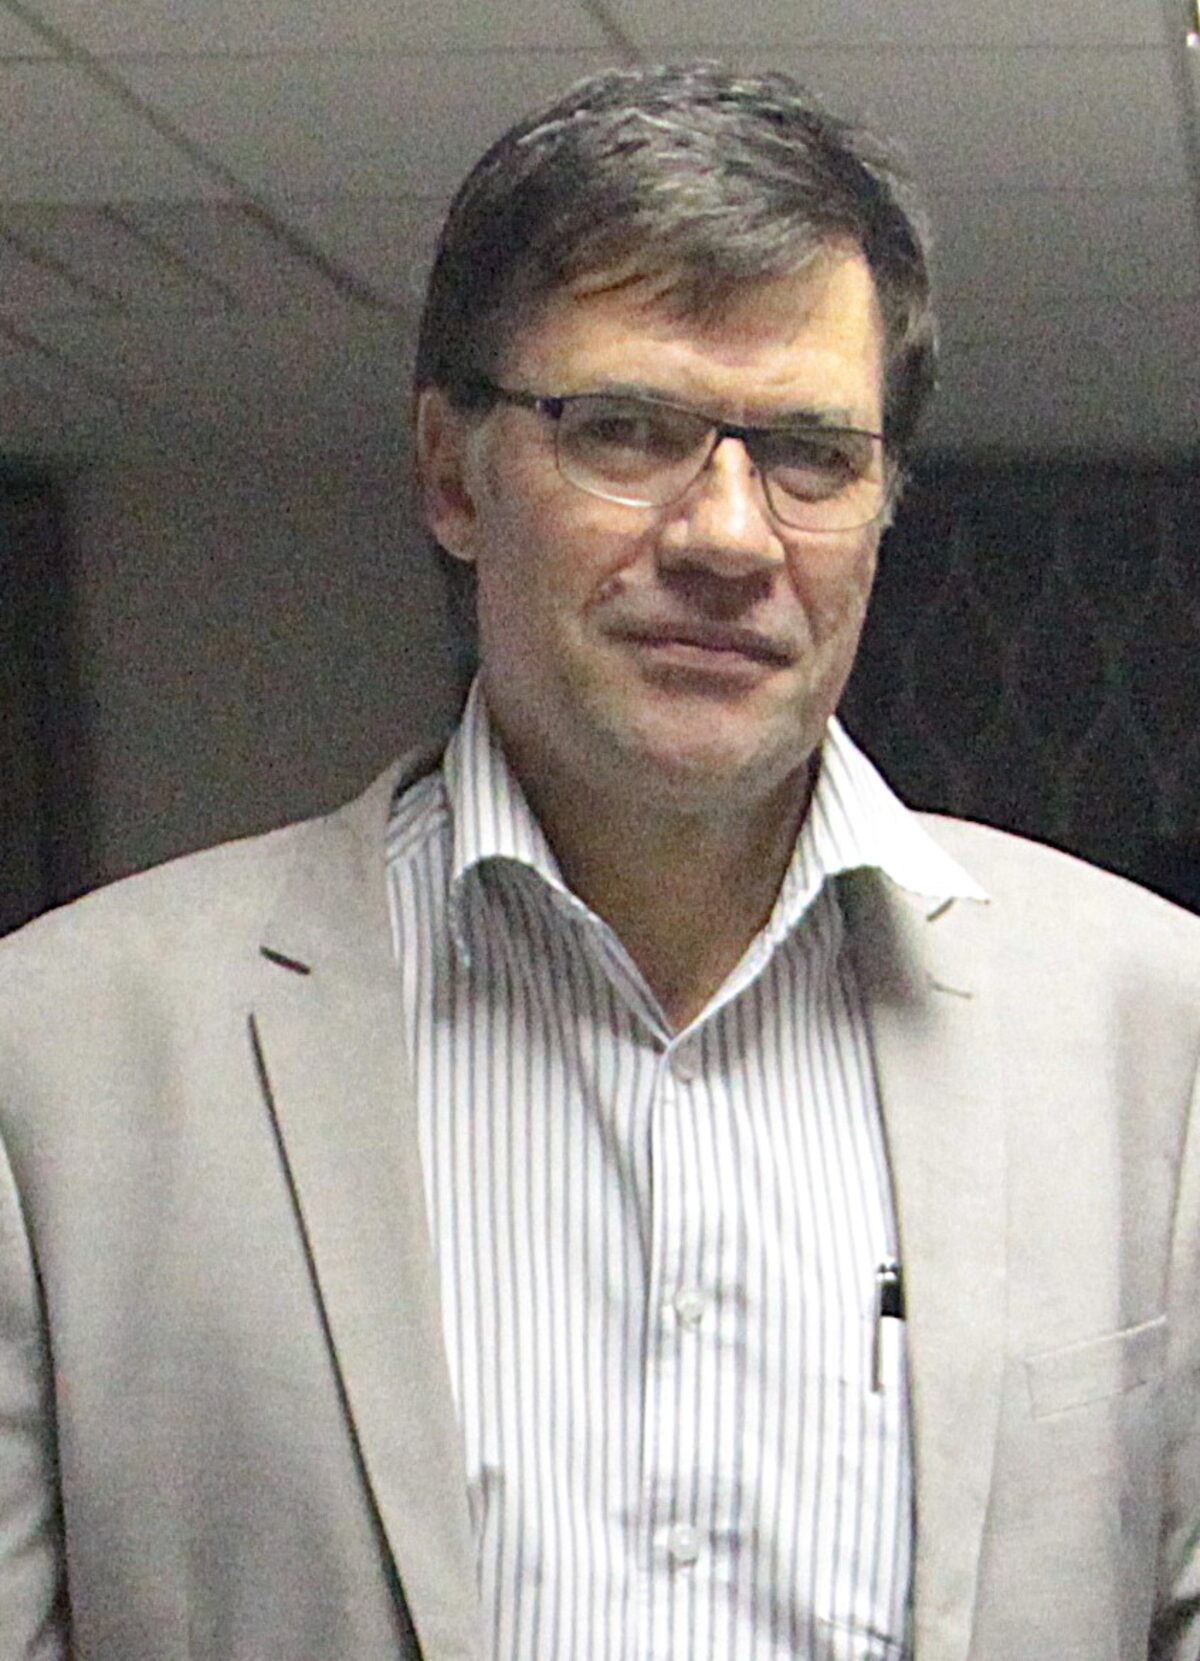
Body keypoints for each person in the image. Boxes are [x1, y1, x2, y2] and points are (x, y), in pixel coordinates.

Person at [0, 61, 1196, 1661]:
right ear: (452, 472)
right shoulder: (60, 1061)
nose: (728, 535)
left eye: (811, 453)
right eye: (626, 430)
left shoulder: (1155, 1039)